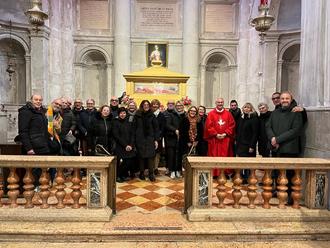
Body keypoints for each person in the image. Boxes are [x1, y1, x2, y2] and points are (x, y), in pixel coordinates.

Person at [266, 91, 303, 204]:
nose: (284, 100)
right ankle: (279, 192)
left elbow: (295, 131)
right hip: (276, 148)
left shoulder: (296, 113)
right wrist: (272, 138)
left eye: (287, 98)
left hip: (289, 149)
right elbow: (268, 126)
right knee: (277, 173)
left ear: (291, 100)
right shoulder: (275, 112)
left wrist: (277, 140)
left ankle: (291, 197)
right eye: (282, 98)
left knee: (290, 174)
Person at [204, 98, 235, 178]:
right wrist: (216, 134)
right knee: (214, 155)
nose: (220, 104)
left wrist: (225, 133)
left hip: (225, 139)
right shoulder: (211, 114)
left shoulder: (228, 114)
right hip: (214, 139)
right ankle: (214, 173)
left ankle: (225, 172)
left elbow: (232, 125)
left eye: (221, 102)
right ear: (216, 103)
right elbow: (208, 126)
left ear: (223, 103)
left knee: (225, 156)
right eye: (218, 102)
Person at [134, 100, 159, 182]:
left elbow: (156, 128)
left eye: (147, 104)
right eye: (144, 104)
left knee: (150, 157)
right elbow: (134, 128)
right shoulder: (137, 115)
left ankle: (151, 174)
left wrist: (156, 140)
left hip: (150, 139)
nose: (146, 106)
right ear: (142, 106)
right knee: (141, 157)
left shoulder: (152, 115)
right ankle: (141, 173)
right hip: (140, 139)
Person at [236, 103, 259, 183]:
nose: (246, 109)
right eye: (245, 107)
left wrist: (252, 146)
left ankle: (247, 178)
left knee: (248, 162)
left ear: (251, 109)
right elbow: (238, 131)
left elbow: (255, 134)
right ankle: (242, 176)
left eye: (248, 107)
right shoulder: (241, 118)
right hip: (240, 144)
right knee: (242, 162)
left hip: (248, 145)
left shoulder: (254, 119)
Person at [112, 107, 136, 182]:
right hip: (120, 145)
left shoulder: (129, 122)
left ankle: (123, 174)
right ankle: (118, 175)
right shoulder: (115, 122)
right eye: (121, 113)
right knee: (121, 162)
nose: (122, 114)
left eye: (124, 113)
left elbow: (132, 134)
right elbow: (116, 135)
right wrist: (125, 145)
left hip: (129, 145)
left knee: (128, 161)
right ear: (119, 114)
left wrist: (131, 145)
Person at [151, 99, 166, 176]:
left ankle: (156, 168)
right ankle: (150, 168)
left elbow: (163, 127)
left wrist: (158, 136)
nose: (155, 105)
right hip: (149, 137)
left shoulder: (161, 115)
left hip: (158, 137)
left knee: (157, 153)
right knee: (150, 153)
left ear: (159, 105)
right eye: (153, 104)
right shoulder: (149, 114)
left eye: (156, 104)